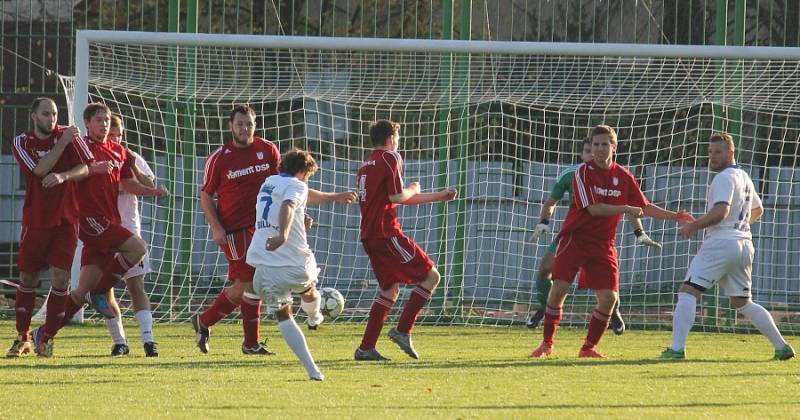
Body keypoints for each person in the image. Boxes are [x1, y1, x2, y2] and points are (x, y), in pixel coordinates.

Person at [192, 104, 354, 355]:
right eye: (240, 124)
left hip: (262, 228)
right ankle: (246, 341)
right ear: (230, 126)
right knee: (248, 284)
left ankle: (207, 323)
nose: (245, 129)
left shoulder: (267, 150)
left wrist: (302, 214)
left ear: (255, 126)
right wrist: (216, 228)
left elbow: (287, 187)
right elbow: (205, 195)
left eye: (249, 124)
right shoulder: (219, 158)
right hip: (234, 230)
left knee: (247, 287)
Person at [530, 124, 694, 359]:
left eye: (604, 144)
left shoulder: (624, 176)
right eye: (595, 144)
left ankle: (588, 348)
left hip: (603, 244)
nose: (599, 149)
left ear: (614, 147)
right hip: (575, 239)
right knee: (559, 290)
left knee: (609, 298)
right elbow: (595, 209)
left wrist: (674, 216)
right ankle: (547, 343)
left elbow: (644, 206)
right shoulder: (582, 172)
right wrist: (626, 207)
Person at [31, 102, 168, 357]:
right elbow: (68, 170)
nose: (104, 124)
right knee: (138, 248)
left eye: (107, 120)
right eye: (98, 120)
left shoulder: (119, 151)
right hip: (91, 221)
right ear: (87, 123)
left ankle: (45, 334)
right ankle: (100, 293)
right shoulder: (80, 147)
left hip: (110, 222)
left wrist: (153, 190)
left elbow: (130, 184)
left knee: (80, 292)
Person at [660, 133, 795, 361]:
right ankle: (782, 346)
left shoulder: (724, 178)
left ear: (731, 153)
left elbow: (720, 211)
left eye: (718, 152)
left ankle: (676, 349)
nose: (712, 157)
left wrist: (694, 226)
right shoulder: (744, 176)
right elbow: (758, 210)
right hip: (744, 243)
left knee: (688, 291)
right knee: (742, 302)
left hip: (721, 242)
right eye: (710, 152)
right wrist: (739, 225)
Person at [527, 137, 663, 334]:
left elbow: (632, 207)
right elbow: (550, 202)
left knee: (606, 289)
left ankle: (613, 312)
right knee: (545, 269)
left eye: (600, 147)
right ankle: (543, 307)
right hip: (574, 235)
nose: (594, 153)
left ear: (612, 148)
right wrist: (543, 222)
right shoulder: (572, 174)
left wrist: (639, 232)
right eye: (589, 150)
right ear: (582, 154)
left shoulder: (617, 175)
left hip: (600, 240)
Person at [246, 148, 356, 380]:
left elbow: (295, 200)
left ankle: (313, 370)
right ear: (302, 172)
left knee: (284, 316)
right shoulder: (297, 185)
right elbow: (288, 204)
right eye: (308, 175)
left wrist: (325, 201)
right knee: (308, 290)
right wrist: (284, 235)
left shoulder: (268, 182)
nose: (307, 180)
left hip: (264, 266)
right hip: (295, 263)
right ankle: (315, 316)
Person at [354, 119, 458, 361]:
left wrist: (438, 196)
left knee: (389, 290)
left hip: (370, 236)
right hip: (386, 234)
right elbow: (399, 196)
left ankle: (366, 348)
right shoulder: (391, 157)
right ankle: (402, 331)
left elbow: (391, 199)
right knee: (432, 276)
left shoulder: (365, 165)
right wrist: (413, 186)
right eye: (397, 139)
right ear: (391, 139)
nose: (398, 143)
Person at [7, 98, 92, 357]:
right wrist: (63, 143)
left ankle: (47, 337)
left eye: (54, 113)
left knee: (61, 279)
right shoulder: (22, 142)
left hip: (66, 220)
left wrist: (65, 176)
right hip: (36, 220)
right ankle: (22, 337)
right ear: (34, 116)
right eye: (46, 114)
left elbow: (86, 167)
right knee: (28, 279)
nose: (52, 118)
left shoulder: (68, 135)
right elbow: (40, 170)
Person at [99, 114, 159, 357]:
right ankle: (120, 341)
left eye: (119, 135)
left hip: (130, 232)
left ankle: (149, 340)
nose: (115, 139)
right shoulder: (98, 157)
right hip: (103, 232)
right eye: (111, 135)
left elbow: (149, 182)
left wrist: (132, 163)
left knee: (136, 286)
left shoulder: (130, 156)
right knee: (105, 289)